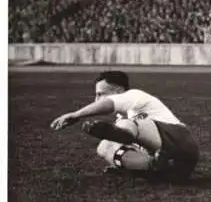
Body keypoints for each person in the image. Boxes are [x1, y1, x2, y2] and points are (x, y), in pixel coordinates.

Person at [50, 71, 199, 180]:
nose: (97, 99)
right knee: (104, 146)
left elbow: (109, 104)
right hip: (174, 164)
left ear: (119, 91)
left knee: (126, 124)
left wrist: (76, 115)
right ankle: (151, 166)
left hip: (182, 142)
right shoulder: (123, 116)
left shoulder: (134, 95)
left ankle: (128, 145)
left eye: (100, 94)